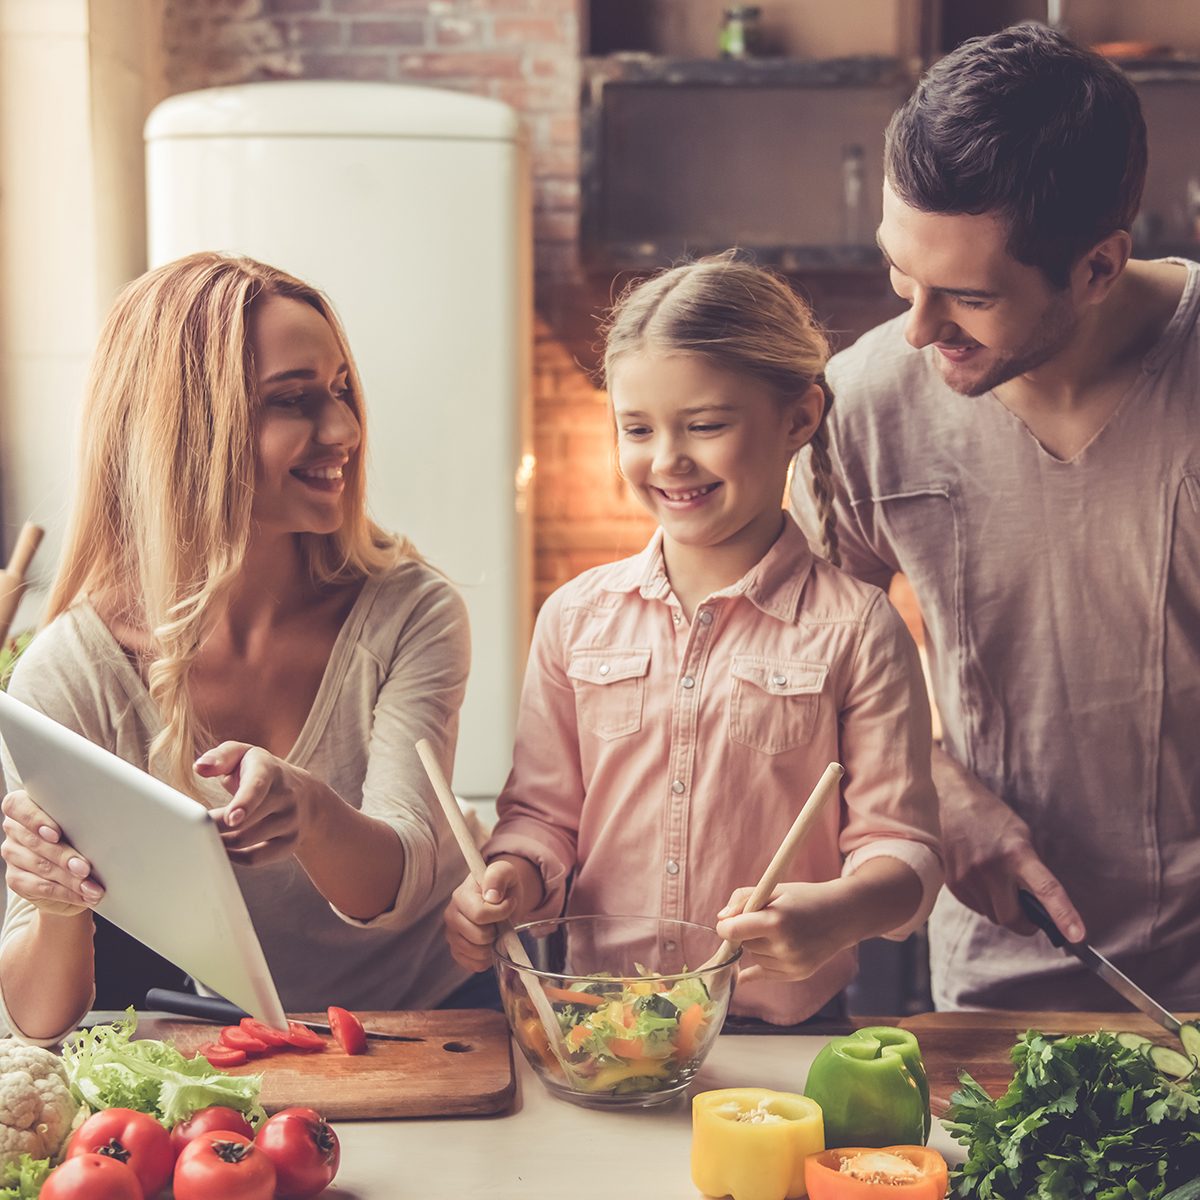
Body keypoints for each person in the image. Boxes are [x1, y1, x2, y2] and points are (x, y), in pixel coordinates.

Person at [792, 22, 1200, 1011]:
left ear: (1099, 267)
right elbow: (802, 662)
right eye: (901, 275)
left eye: (967, 297)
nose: (919, 329)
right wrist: (934, 786)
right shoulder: (864, 403)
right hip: (996, 980)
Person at [443, 254, 943, 1024]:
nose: (668, 459)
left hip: (781, 1042)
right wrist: (509, 876)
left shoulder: (858, 631)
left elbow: (904, 853)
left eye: (705, 425)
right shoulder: (574, 618)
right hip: (599, 1025)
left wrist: (834, 916)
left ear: (799, 419)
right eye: (637, 429)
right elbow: (544, 818)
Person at [0, 252, 473, 1044]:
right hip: (245, 1036)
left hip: (440, 1022)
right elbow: (39, 1016)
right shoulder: (69, 678)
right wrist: (54, 902)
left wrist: (312, 812)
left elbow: (399, 878)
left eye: (341, 390)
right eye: (292, 400)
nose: (344, 431)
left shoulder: (410, 612)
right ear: (184, 432)